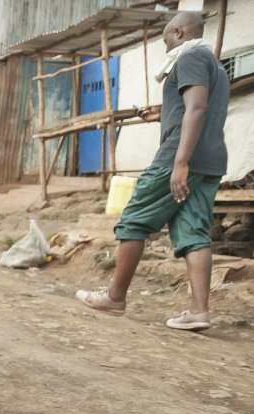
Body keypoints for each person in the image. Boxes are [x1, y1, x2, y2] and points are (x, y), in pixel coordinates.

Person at [76, 12, 229, 332]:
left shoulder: (189, 57)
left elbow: (198, 108)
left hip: (179, 158)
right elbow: (195, 108)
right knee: (194, 233)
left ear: (178, 32)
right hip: (211, 161)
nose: (164, 47)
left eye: (165, 40)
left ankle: (115, 297)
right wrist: (163, 114)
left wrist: (180, 162)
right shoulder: (215, 64)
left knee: (134, 220)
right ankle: (199, 311)